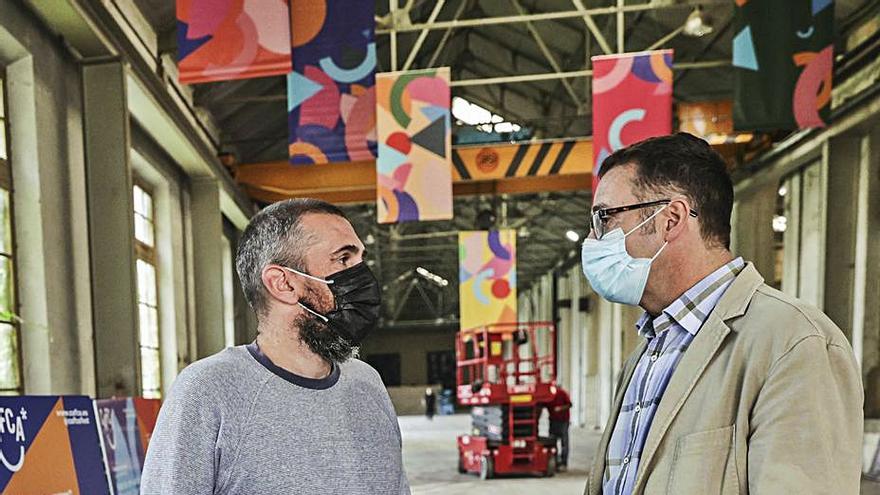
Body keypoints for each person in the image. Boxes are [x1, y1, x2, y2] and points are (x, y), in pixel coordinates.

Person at [580, 134, 862, 494]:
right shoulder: (647, 351)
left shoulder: (794, 344)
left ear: (672, 219)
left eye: (605, 217)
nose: (593, 237)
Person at [141, 199, 410, 495]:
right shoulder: (208, 391)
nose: (364, 277)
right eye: (344, 260)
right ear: (283, 283)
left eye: (361, 259)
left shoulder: (367, 383)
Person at [545, 385, 572, 471]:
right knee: (552, 441)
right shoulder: (548, 395)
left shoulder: (562, 393)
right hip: (553, 421)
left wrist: (560, 408)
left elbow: (569, 404)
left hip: (563, 421)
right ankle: (555, 461)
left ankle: (564, 463)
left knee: (564, 442)